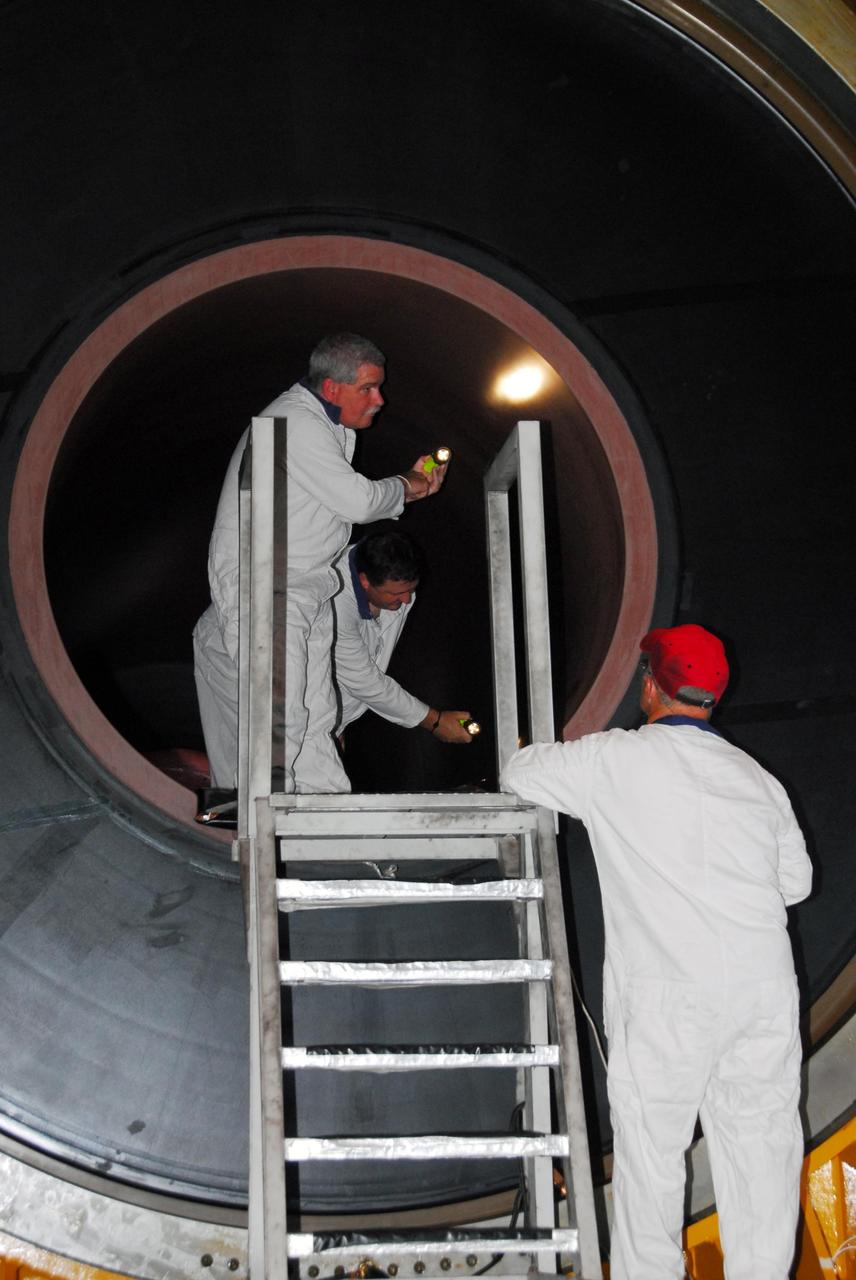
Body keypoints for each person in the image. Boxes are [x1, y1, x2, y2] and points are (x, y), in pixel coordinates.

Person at [500, 624, 812, 1280]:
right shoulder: (758, 780)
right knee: (763, 1158)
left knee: (651, 1161)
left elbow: (521, 772)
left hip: (669, 997)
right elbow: (797, 885)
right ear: (711, 699)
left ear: (651, 686)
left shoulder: (615, 760)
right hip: (762, 991)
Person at [193, 333, 447, 793]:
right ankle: (263, 817)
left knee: (317, 715)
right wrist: (408, 484)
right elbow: (357, 501)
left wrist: (409, 487)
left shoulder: (333, 428)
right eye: (368, 389)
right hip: (268, 581)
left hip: (309, 585)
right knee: (283, 711)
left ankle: (327, 813)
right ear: (332, 388)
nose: (379, 400)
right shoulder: (295, 420)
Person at [330, 531, 475, 753]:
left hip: (330, 724)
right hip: (297, 719)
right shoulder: (333, 601)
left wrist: (339, 724)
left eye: (412, 589)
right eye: (397, 594)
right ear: (364, 581)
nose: (407, 600)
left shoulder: (395, 590)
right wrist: (435, 721)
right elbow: (364, 681)